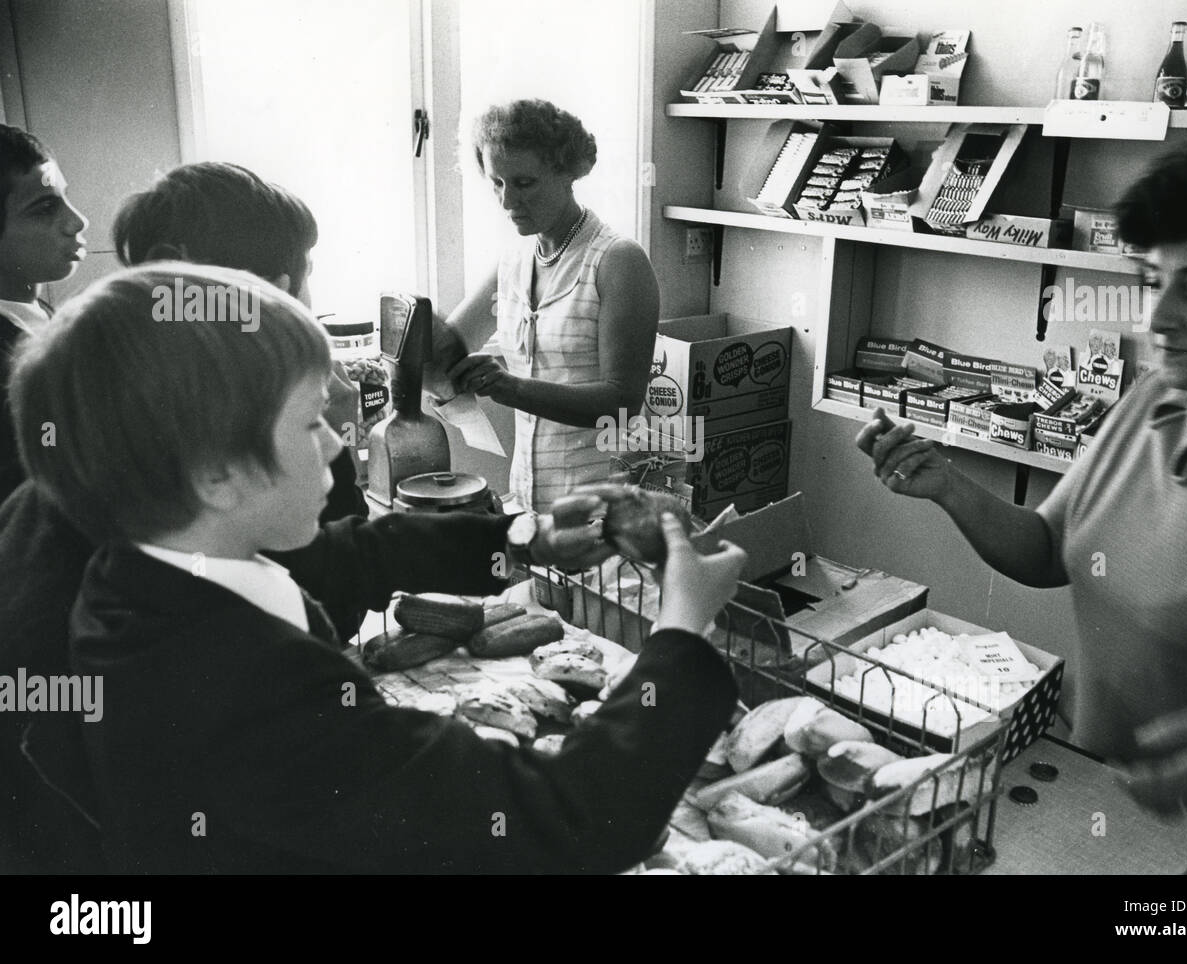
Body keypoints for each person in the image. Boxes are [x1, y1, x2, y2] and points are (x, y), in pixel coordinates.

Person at [10, 262, 744, 873]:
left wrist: (526, 536)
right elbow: (561, 818)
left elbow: (355, 555)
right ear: (217, 475)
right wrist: (681, 629)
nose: (338, 444)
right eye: (310, 423)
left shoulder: (152, 564)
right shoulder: (242, 693)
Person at [857, 127, 1187, 874]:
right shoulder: (1154, 402)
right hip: (1097, 807)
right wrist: (945, 484)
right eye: (1152, 279)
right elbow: (1047, 550)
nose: (1155, 319)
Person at [112, 161, 367, 525]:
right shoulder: (271, 403)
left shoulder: (130, 371)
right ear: (274, 293)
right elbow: (335, 544)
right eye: (307, 276)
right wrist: (339, 437)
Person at [447, 99, 660, 513]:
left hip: (601, 508)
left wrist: (512, 388)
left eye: (524, 183)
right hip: (529, 502)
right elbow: (450, 343)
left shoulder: (617, 261)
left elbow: (621, 403)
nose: (508, 202)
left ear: (568, 173)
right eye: (497, 182)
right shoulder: (512, 261)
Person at [0, 125, 88, 503]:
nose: (78, 221)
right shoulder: (7, 358)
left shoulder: (38, 314)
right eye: (45, 207)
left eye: (65, 197)